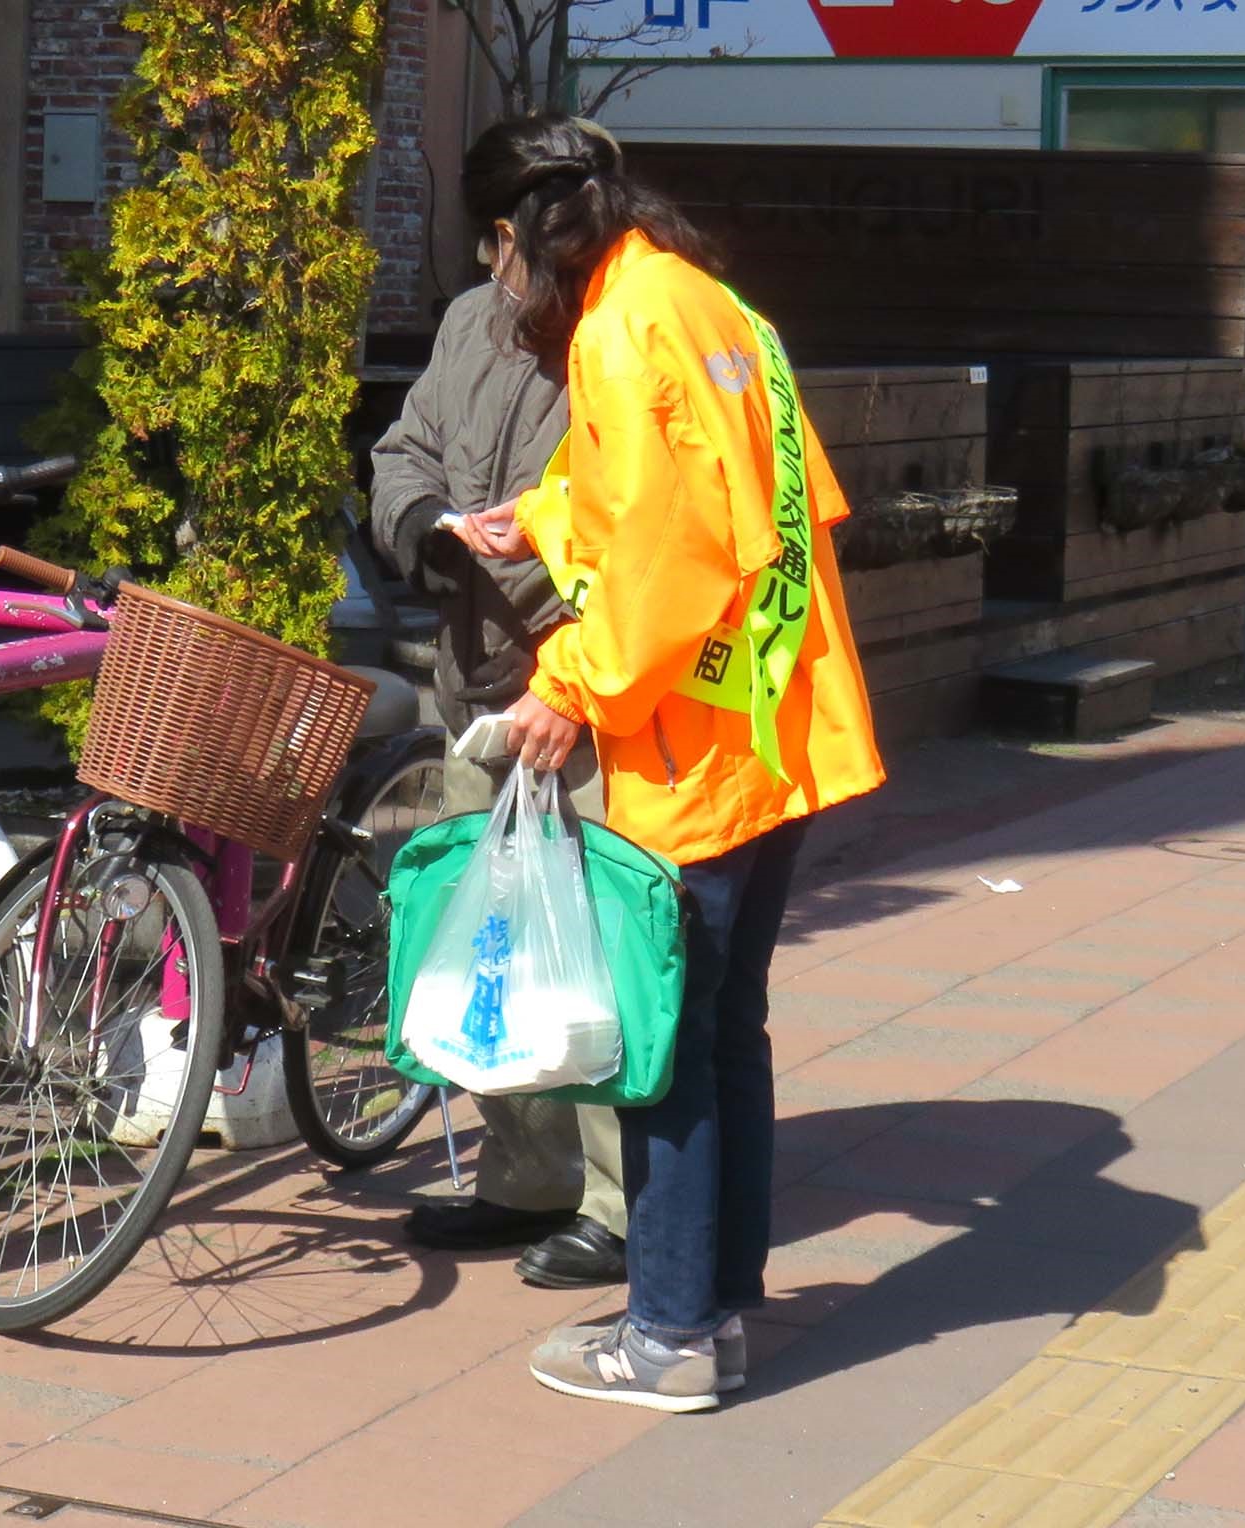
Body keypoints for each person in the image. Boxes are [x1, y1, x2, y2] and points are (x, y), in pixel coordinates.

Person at [444, 112, 886, 1412]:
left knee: (660, 1046)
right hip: (772, 720)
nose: (494, 275)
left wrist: (566, 687)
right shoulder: (705, 304)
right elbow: (737, 490)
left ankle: (670, 1336)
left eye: (490, 245)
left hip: (691, 742)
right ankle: (717, 1311)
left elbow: (665, 550)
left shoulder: (617, 326)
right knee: (724, 1027)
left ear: (521, 230)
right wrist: (530, 515)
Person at [369, 222, 628, 1290]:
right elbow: (403, 448)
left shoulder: (618, 332)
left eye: (522, 236)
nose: (504, 260)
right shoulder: (470, 321)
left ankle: (617, 1208)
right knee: (492, 937)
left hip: (586, 689)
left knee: (600, 952)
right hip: (472, 678)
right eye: (503, 237)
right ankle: (525, 1180)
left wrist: (572, 665)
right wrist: (432, 521)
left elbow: (641, 527)